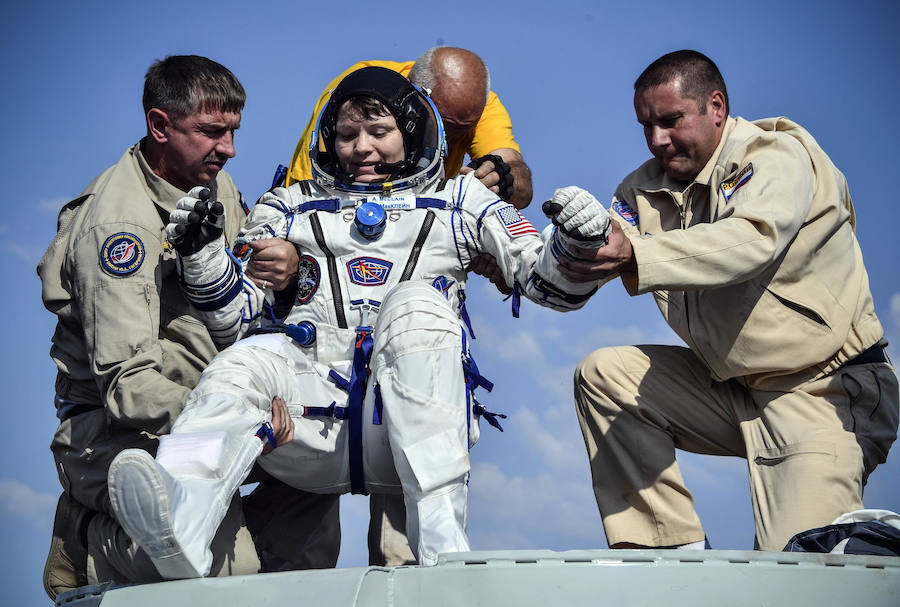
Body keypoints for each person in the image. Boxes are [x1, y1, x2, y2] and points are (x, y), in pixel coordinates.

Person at [105, 66, 610, 579]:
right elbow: (237, 319)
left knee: (416, 306)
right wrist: (202, 257)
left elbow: (547, 283)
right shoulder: (288, 206)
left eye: (378, 132)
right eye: (346, 135)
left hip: (405, 426)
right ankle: (181, 517)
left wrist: (575, 243)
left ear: (411, 131)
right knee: (241, 362)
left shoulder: (462, 202)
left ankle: (443, 548)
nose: (361, 148)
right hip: (305, 425)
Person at [563, 50, 899, 551]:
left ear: (716, 106)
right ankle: (670, 556)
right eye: (646, 125)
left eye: (671, 121)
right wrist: (537, 259)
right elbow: (590, 268)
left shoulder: (777, 156)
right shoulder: (642, 189)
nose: (658, 139)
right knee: (604, 375)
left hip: (821, 391)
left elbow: (753, 240)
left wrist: (635, 252)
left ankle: (872, 541)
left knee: (797, 575)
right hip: (730, 387)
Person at [37, 55, 318, 598]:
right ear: (160, 126)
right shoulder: (120, 229)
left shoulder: (213, 185)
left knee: (315, 489)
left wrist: (287, 274)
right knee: (220, 573)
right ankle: (91, 540)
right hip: (122, 437)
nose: (229, 148)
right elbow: (129, 386)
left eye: (233, 132)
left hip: (210, 414)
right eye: (211, 132)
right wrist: (237, 419)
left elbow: (243, 301)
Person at [286, 47, 533, 210]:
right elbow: (307, 196)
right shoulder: (357, 90)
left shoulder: (482, 106)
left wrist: (503, 180)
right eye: (440, 125)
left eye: (460, 132)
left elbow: (515, 173)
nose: (445, 142)